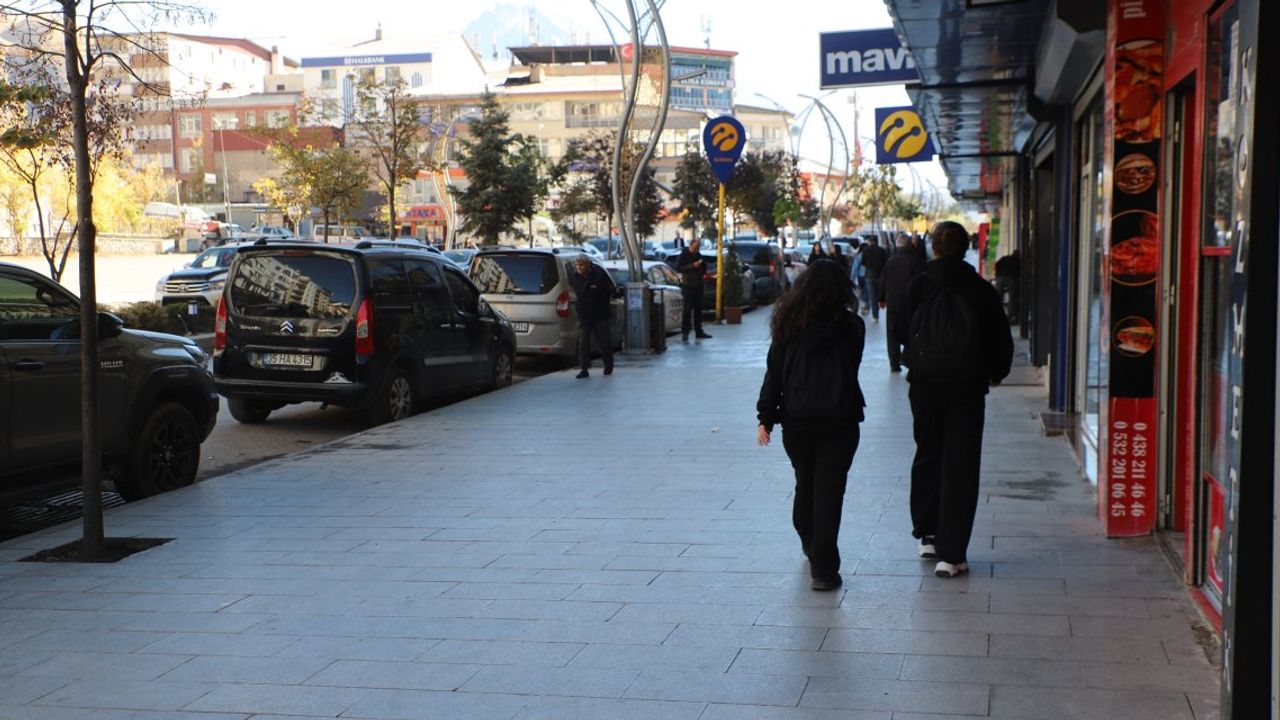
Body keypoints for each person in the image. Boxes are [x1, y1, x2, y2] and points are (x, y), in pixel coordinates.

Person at [895, 221, 1013, 577]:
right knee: (960, 462)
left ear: (933, 247)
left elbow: (901, 329)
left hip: (925, 385)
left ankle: (927, 533)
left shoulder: (919, 284)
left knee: (927, 452)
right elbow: (999, 337)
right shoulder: (979, 288)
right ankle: (952, 553)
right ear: (966, 249)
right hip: (966, 386)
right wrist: (995, 372)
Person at [756, 259, 867, 591]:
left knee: (806, 482)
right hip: (841, 419)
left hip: (798, 419)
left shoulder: (787, 325)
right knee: (829, 491)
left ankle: (809, 538)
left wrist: (766, 417)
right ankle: (824, 570)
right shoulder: (852, 327)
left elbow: (774, 374)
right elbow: (853, 364)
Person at [879, 234, 925, 373]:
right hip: (910, 304)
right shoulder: (915, 260)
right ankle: (909, 360)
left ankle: (894, 363)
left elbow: (883, 281)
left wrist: (881, 298)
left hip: (893, 303)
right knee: (912, 331)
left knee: (892, 333)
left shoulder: (890, 261)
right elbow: (919, 282)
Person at [568, 255, 617, 379]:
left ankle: (608, 365)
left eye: (581, 265)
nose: (579, 268)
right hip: (584, 314)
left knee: (604, 341)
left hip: (600, 314)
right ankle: (584, 368)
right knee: (583, 343)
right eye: (577, 265)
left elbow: (608, 292)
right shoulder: (575, 277)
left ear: (588, 264)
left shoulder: (599, 275)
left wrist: (600, 303)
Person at [676, 237, 712, 341]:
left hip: (698, 284)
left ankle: (698, 331)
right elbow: (678, 268)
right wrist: (693, 265)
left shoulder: (698, 255)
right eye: (695, 247)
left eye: (698, 247)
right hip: (688, 285)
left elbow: (704, 265)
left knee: (698, 309)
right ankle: (685, 332)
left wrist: (704, 272)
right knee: (687, 309)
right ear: (691, 245)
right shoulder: (684, 255)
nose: (697, 250)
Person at [858, 237, 889, 324]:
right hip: (880, 276)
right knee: (879, 295)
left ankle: (875, 316)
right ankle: (878, 308)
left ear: (870, 242)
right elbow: (886, 262)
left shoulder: (866, 251)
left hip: (869, 276)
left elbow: (863, 263)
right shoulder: (882, 251)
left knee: (872, 297)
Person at [994, 249, 1021, 323]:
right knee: (1012, 298)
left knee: (997, 297)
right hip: (1011, 278)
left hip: (1001, 277)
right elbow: (1019, 272)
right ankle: (1009, 316)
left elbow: (997, 264)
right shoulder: (1018, 261)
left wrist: (997, 274)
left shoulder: (1005, 258)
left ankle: (995, 314)